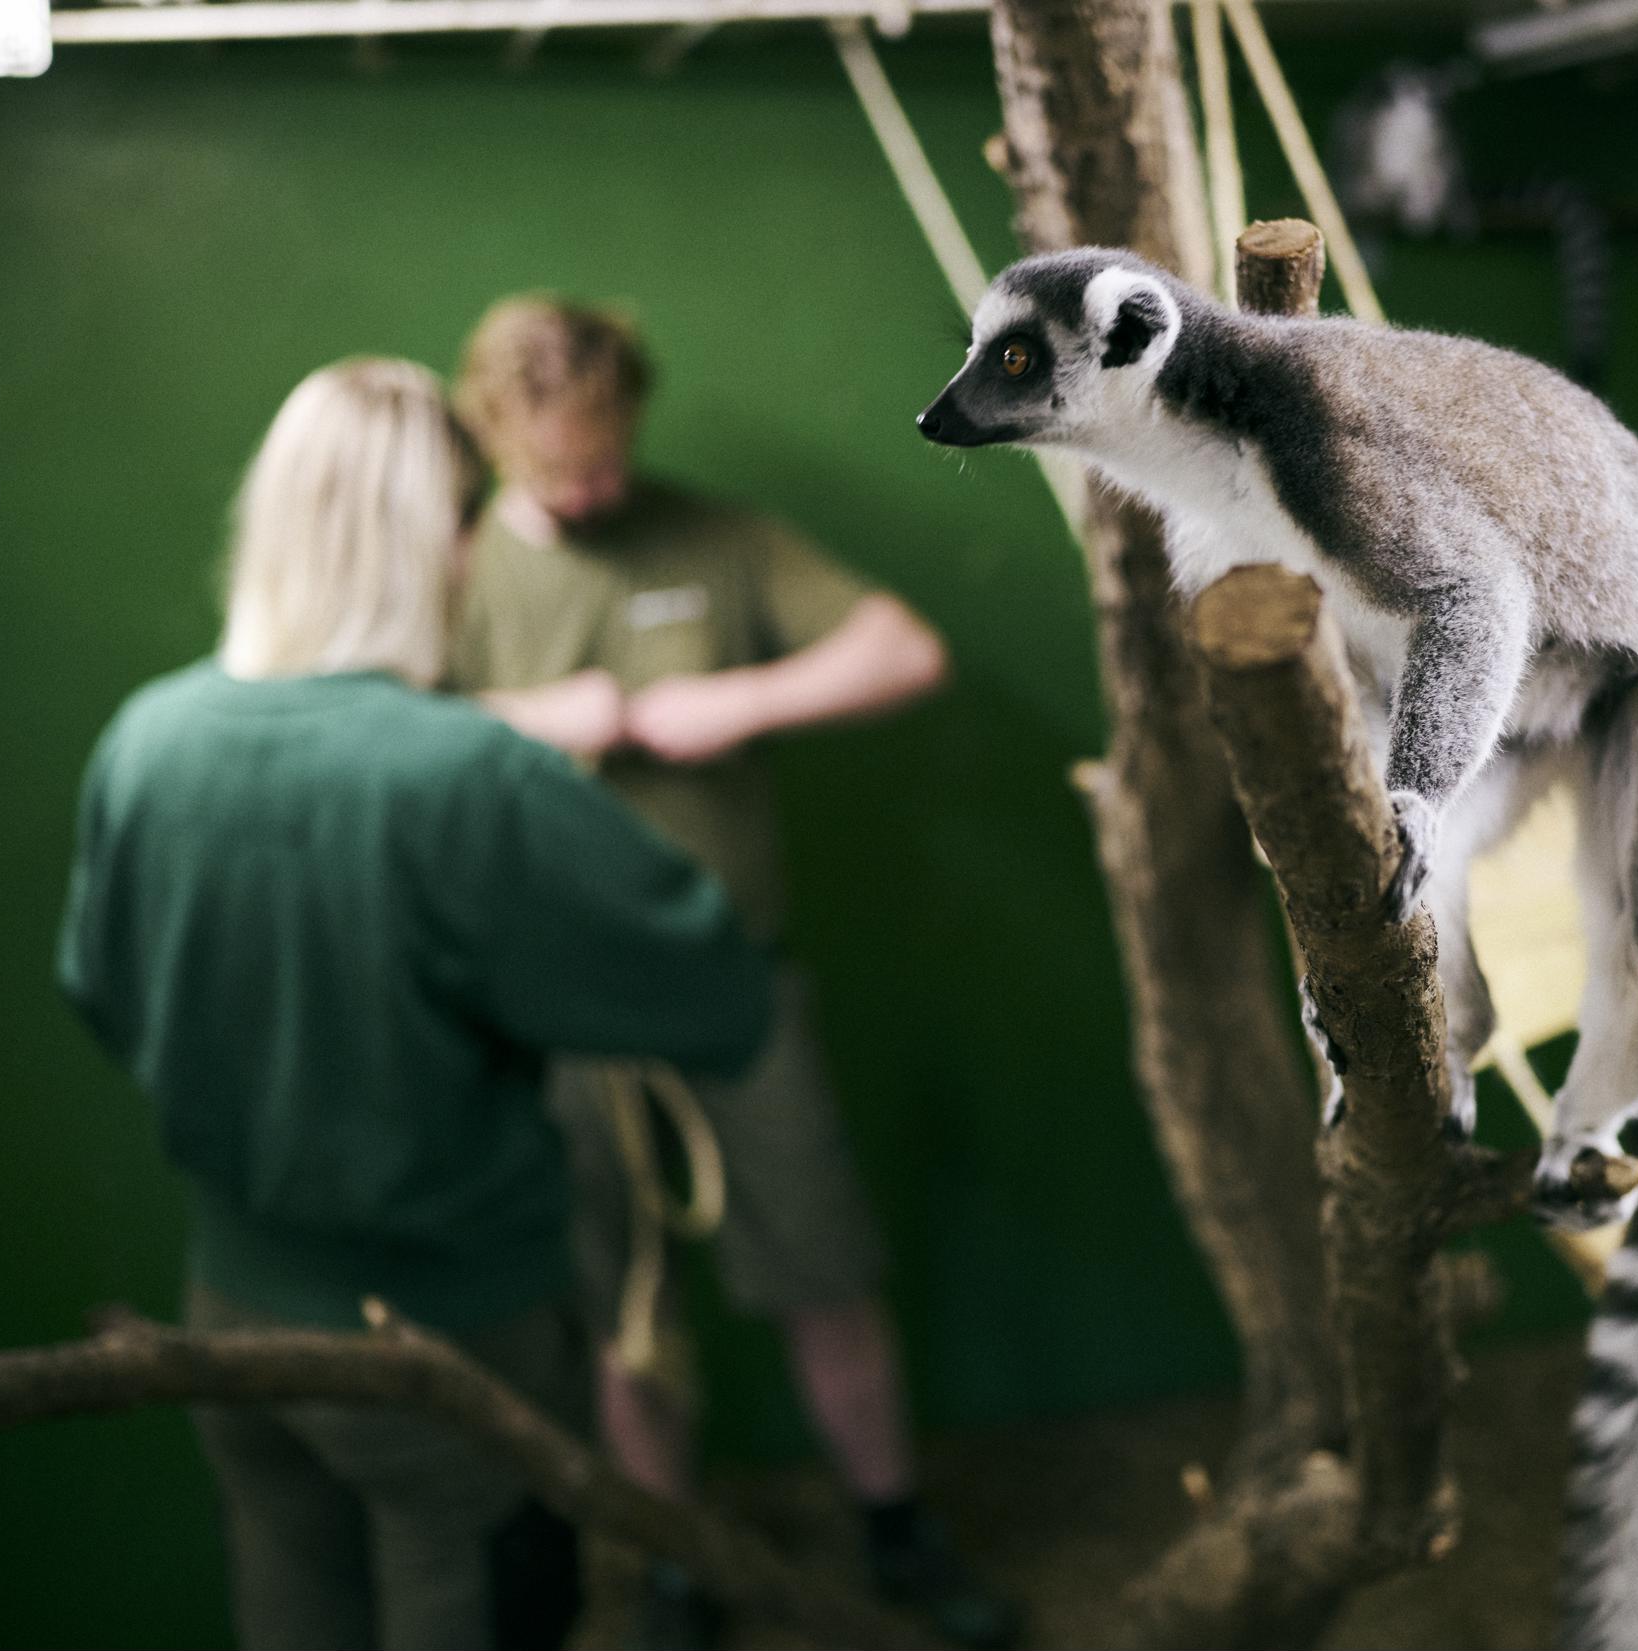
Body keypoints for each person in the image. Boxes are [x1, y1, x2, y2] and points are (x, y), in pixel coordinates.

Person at [56, 358, 777, 1651]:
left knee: (292, 1612)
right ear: (435, 540)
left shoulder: (144, 738)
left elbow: (101, 994)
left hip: (232, 1319)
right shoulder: (463, 776)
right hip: (451, 1347)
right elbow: (716, 989)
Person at [448, 296, 1013, 1649]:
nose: (591, 488)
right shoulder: (452, 572)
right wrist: (533, 723)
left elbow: (906, 650)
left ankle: (893, 1532)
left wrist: (738, 703)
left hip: (734, 985)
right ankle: (674, 1565)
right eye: (557, 466)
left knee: (826, 1271)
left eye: (606, 455)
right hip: (553, 1012)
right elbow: (357, 721)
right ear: (490, 434)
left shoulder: (712, 533)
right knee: (625, 1313)